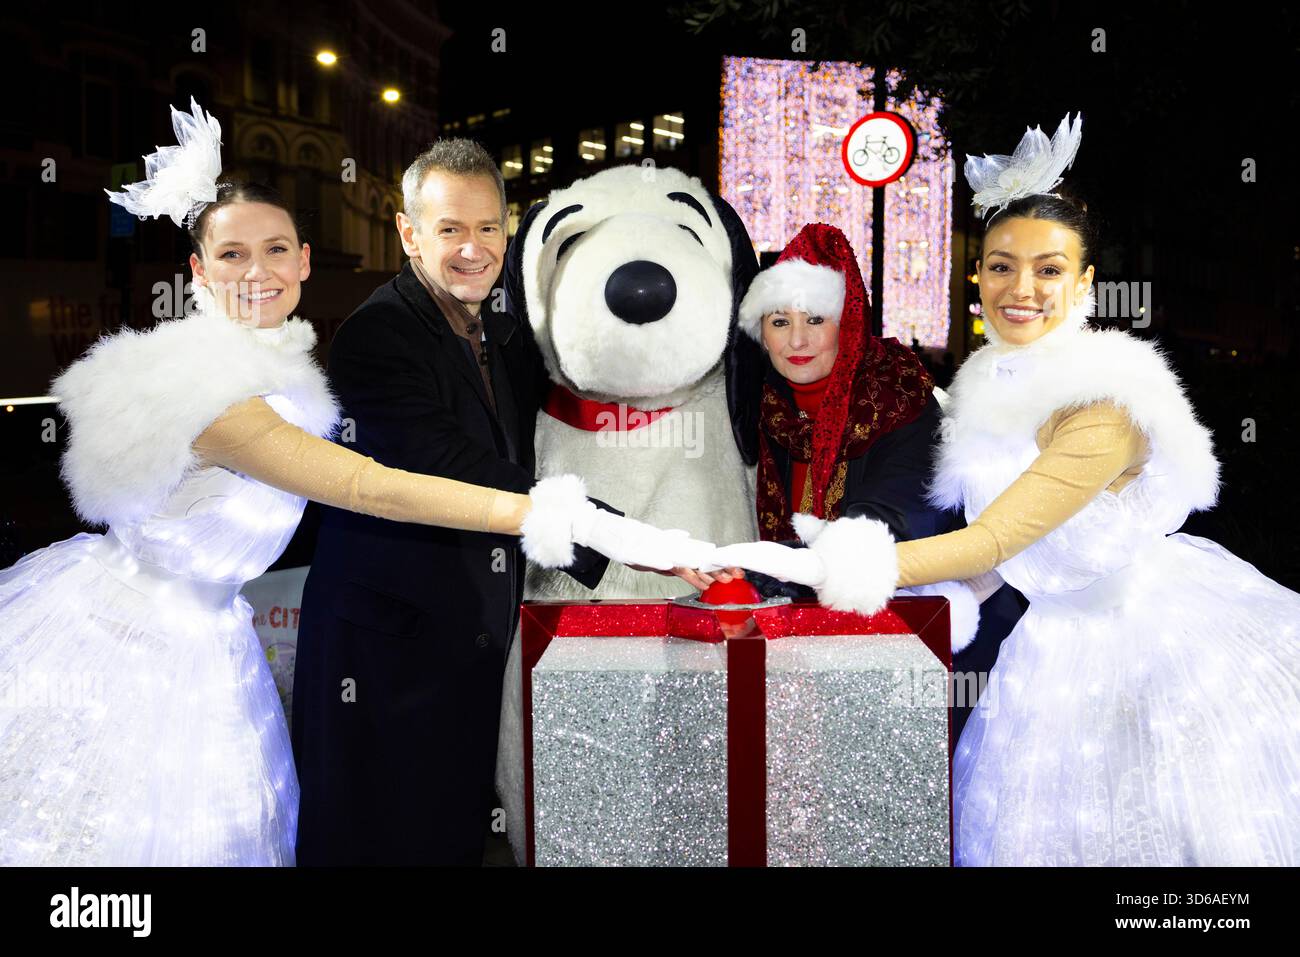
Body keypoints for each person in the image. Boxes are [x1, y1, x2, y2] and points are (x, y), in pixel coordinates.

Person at [0, 100, 705, 866]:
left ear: (305, 260)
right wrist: (603, 529)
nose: (258, 272)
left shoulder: (306, 370)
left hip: (219, 646)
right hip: (132, 647)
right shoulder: (203, 383)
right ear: (197, 272)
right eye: (232, 256)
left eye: (275, 250)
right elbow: (380, 488)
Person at [712, 114, 1300, 865]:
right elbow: (999, 558)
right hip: (1044, 658)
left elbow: (994, 538)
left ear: (1086, 283)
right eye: (1000, 266)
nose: (1020, 289)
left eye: (1049, 269)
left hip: (1154, 653)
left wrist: (826, 563)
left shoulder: (1107, 396)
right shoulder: (988, 381)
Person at [289, 139, 719, 866]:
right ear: (408, 233)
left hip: (469, 652)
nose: (471, 249)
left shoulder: (505, 332)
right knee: (379, 844)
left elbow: (579, 401)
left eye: (487, 228)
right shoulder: (377, 337)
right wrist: (632, 539)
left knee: (454, 839)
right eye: (450, 229)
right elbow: (460, 471)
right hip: (387, 660)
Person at [732, 221, 1023, 657]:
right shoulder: (763, 408)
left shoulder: (895, 398)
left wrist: (773, 565)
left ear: (847, 325)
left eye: (815, 319)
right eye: (779, 321)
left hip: (907, 636)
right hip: (798, 632)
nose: (796, 340)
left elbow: (897, 520)